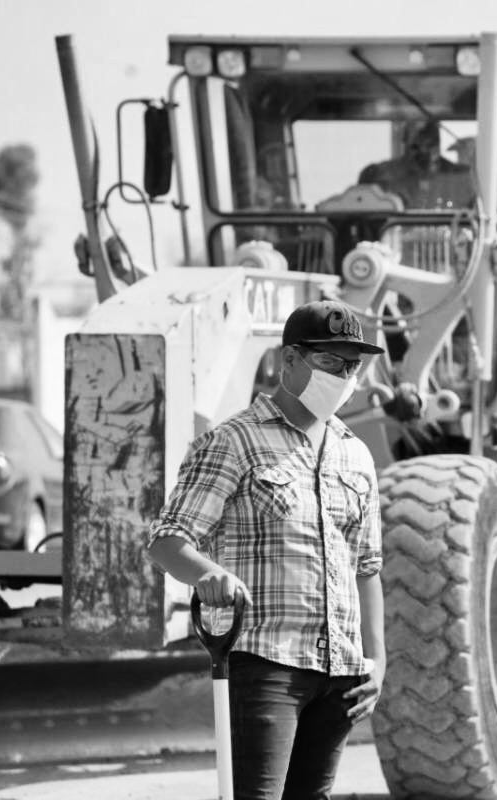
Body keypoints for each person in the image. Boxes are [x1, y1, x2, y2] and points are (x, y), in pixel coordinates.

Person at [146, 300, 387, 800]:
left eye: (352, 366)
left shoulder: (355, 454)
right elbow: (168, 540)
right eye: (330, 362)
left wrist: (377, 660)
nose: (344, 376)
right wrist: (207, 574)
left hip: (341, 674)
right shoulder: (233, 441)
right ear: (289, 361)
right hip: (265, 663)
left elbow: (366, 566)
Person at [357, 119, 474, 209]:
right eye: (415, 146)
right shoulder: (379, 175)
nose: (424, 152)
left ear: (438, 143)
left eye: (430, 145)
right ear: (405, 143)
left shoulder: (462, 177)